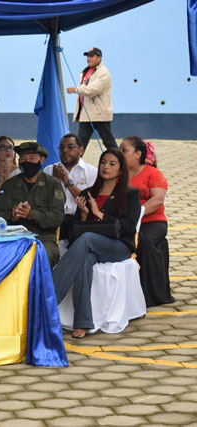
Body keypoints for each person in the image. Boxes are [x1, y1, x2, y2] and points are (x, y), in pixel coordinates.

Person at [53, 149, 141, 338]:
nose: (105, 167)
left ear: (120, 170)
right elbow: (77, 232)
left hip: (118, 246)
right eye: (103, 162)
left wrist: (99, 214)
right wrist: (85, 215)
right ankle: (82, 322)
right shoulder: (88, 193)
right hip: (90, 246)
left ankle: (48, 298)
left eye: (112, 164)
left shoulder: (130, 194)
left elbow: (128, 227)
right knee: (84, 260)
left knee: (87, 239)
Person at [0, 142, 65, 267]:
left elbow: (57, 218)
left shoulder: (53, 184)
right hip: (13, 236)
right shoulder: (9, 185)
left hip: (42, 237)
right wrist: (12, 216)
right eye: (23, 159)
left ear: (42, 160)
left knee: (44, 255)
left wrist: (32, 214)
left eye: (32, 159)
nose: (27, 162)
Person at [120, 136, 173, 307]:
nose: (120, 153)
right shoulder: (119, 174)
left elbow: (157, 200)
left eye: (124, 150)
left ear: (137, 154)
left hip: (152, 221)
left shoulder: (153, 174)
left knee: (144, 241)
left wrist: (137, 214)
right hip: (126, 221)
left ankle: (152, 295)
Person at [44, 134, 98, 243]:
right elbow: (44, 200)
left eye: (70, 147)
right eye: (61, 147)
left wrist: (68, 182)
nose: (65, 151)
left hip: (80, 219)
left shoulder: (92, 171)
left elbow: (88, 201)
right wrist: (55, 181)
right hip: (55, 220)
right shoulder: (49, 170)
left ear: (81, 150)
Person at [66, 47, 117, 151]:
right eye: (88, 56)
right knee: (81, 142)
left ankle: (119, 159)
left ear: (99, 57)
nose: (89, 58)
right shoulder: (87, 71)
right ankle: (75, 160)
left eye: (92, 56)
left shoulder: (104, 72)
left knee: (108, 141)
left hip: (99, 114)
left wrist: (76, 89)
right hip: (87, 113)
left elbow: (92, 90)